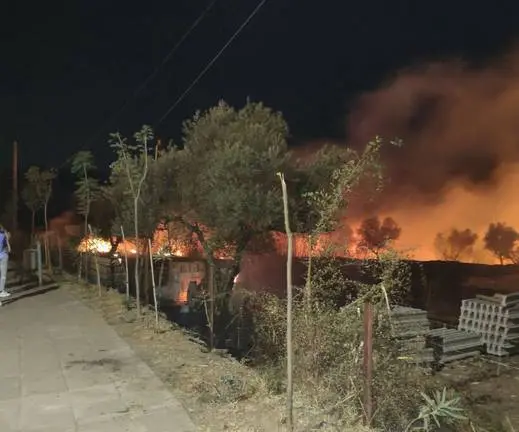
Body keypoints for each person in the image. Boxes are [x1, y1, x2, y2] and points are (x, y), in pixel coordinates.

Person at [0, 224, 11, 298]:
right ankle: (1, 291)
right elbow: (9, 248)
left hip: (3, 255)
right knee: (3, 275)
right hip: (3, 256)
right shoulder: (3, 235)